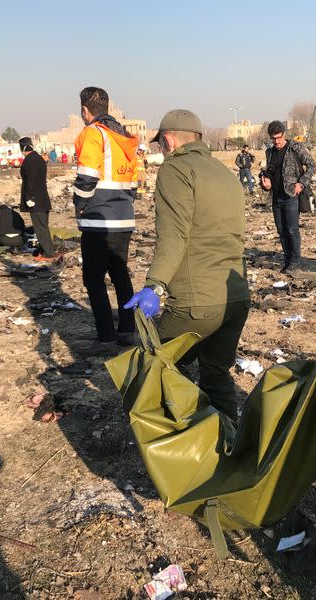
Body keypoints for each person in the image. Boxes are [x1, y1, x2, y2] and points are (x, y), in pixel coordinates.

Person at [125, 109, 250, 420]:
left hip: (198, 303)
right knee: (216, 373)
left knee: (157, 363)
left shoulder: (176, 170)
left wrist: (155, 284)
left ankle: (173, 446)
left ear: (168, 141)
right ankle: (228, 448)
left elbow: (173, 236)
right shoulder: (224, 173)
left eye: (160, 146)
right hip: (235, 298)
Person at [72, 86, 139, 356]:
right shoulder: (124, 137)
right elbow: (133, 182)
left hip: (98, 220)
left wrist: (79, 205)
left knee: (94, 278)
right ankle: (127, 330)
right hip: (123, 217)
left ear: (85, 110)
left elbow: (87, 176)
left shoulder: (93, 134)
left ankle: (105, 337)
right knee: (120, 273)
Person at [259, 120, 316, 273]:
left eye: (278, 137)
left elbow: (312, 165)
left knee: (292, 229)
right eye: (273, 138)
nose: (276, 141)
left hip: (291, 195)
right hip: (276, 196)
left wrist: (301, 183)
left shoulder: (295, 148)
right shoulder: (269, 152)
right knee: (281, 230)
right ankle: (287, 259)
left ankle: (296, 261)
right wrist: (266, 184)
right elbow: (270, 172)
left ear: (284, 134)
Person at [18, 137, 54, 260]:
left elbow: (30, 181)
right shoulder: (38, 158)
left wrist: (29, 197)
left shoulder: (29, 160)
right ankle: (44, 250)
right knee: (43, 226)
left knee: (40, 228)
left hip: (35, 200)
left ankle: (47, 253)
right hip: (42, 198)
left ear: (22, 148)